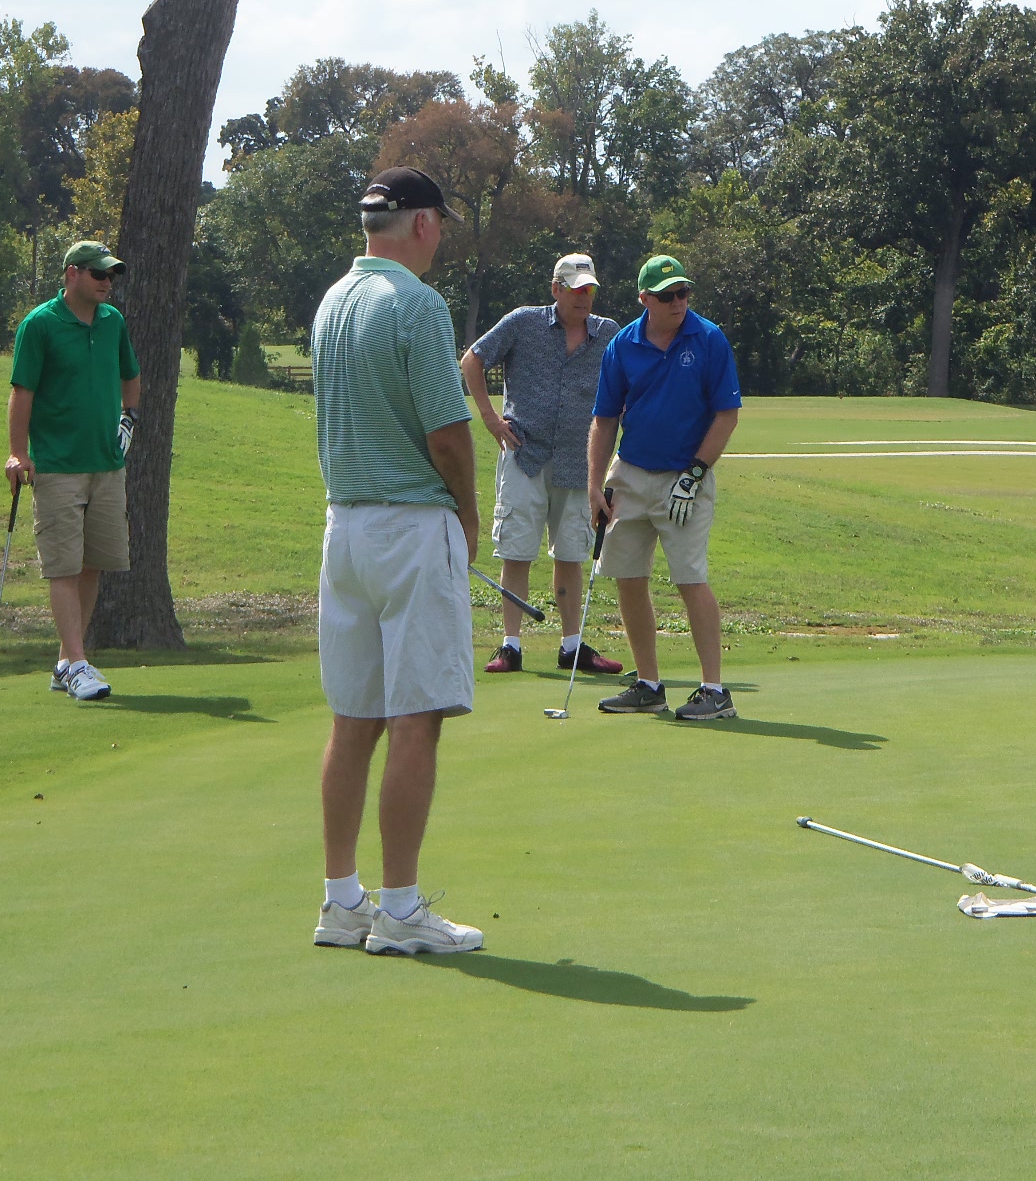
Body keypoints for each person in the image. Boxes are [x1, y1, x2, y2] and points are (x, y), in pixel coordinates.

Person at [310, 166, 486, 957]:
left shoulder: (332, 301)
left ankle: (342, 901)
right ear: (421, 223)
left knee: (355, 720)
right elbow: (448, 435)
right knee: (417, 717)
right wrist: (469, 515)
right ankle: (402, 911)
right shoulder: (419, 304)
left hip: (344, 530)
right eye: (439, 222)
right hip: (411, 528)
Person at [589, 255, 743, 721]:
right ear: (645, 299)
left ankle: (714, 691)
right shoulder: (623, 345)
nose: (678, 302)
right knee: (629, 577)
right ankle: (649, 684)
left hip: (685, 475)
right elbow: (604, 419)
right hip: (631, 474)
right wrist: (594, 485)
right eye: (667, 295)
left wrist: (694, 475)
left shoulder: (708, 338)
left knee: (690, 578)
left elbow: (726, 415)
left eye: (683, 292)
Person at [460, 253, 624, 678]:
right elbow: (472, 359)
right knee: (516, 551)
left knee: (571, 552)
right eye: (576, 289)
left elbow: (628, 383)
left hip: (579, 461)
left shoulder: (608, 333)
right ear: (556, 289)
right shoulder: (523, 322)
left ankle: (572, 646)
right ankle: (511, 645)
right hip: (524, 455)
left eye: (589, 290)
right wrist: (490, 418)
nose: (584, 297)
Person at [6, 240, 140, 704]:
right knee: (63, 566)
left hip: (106, 465)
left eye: (111, 275)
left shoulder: (112, 321)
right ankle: (79, 666)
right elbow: (22, 392)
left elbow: (130, 374)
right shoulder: (40, 324)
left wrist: (129, 419)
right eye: (99, 274)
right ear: (72, 274)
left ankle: (67, 662)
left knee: (92, 564)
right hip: (58, 466)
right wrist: (18, 453)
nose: (107, 282)